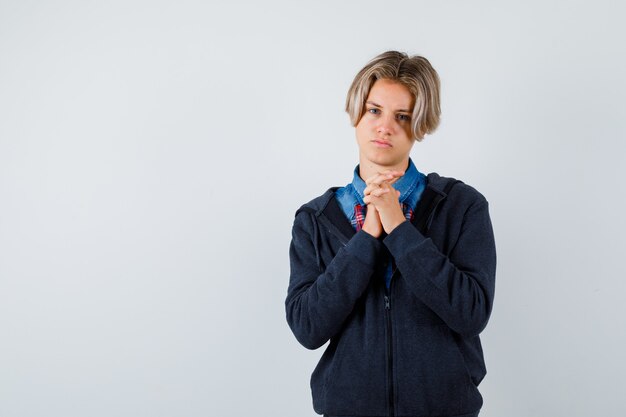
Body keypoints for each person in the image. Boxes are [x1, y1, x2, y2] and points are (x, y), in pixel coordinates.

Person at [285, 51, 496, 417]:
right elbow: (308, 327)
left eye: (403, 117)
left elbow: (471, 313)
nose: (385, 127)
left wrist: (399, 226)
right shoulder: (315, 219)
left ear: (421, 125)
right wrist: (367, 235)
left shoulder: (463, 206)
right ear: (356, 113)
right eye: (374, 110)